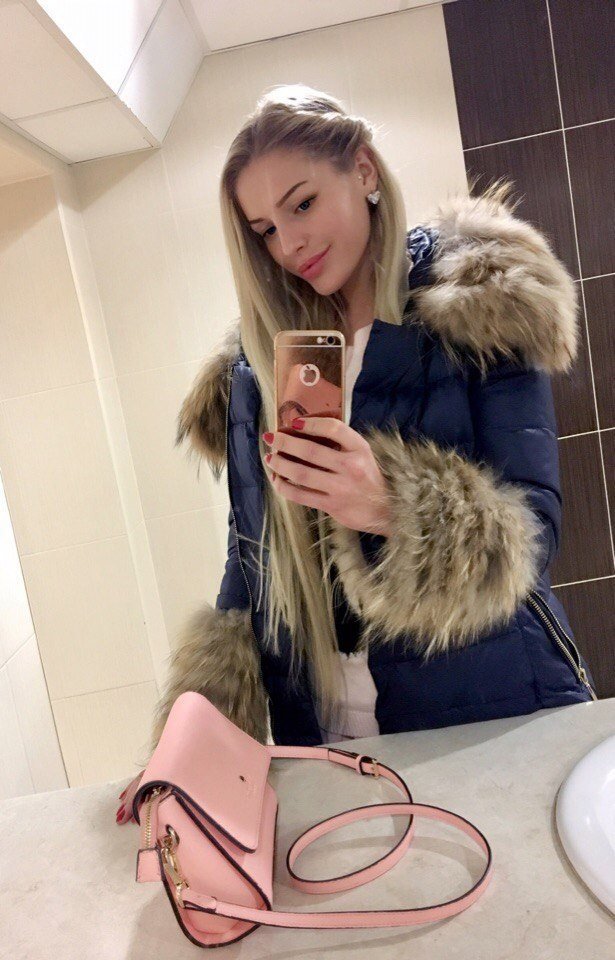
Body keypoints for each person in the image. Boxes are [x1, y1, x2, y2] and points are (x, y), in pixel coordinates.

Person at [116, 83, 597, 824]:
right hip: (326, 736)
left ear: (364, 171)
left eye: (302, 204)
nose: (288, 244)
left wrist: (392, 506)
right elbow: (250, 562)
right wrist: (193, 747)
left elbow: (532, 534)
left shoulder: (481, 304)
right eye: (264, 229)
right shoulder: (255, 368)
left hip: (490, 710)